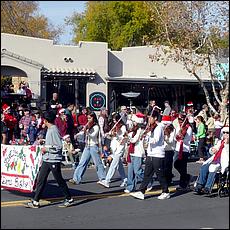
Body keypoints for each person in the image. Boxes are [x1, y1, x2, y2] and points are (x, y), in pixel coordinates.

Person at [26, 111, 74, 208]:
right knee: (41, 179)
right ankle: (35, 201)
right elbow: (51, 143)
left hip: (53, 159)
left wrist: (46, 148)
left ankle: (69, 198)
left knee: (59, 179)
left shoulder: (53, 130)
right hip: (47, 159)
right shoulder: (50, 129)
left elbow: (58, 146)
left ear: (46, 120)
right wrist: (43, 141)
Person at [129, 110, 170, 200]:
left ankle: (166, 191)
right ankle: (141, 191)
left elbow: (155, 140)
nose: (149, 119)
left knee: (160, 174)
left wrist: (147, 138)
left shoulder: (159, 127)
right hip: (150, 153)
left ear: (155, 118)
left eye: (150, 118)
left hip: (158, 154)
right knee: (147, 174)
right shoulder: (151, 127)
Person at [69, 112, 106, 184]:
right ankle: (76, 179)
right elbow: (82, 132)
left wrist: (87, 131)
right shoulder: (88, 126)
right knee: (82, 162)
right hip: (87, 146)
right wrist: (77, 134)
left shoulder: (96, 127)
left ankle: (103, 178)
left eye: (90, 118)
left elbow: (93, 135)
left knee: (97, 163)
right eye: (88, 118)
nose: (88, 120)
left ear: (93, 118)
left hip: (94, 146)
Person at [194, 126, 229, 194]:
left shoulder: (227, 143)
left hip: (224, 161)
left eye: (227, 133)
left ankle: (208, 187)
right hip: (215, 159)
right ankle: (200, 185)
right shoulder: (220, 141)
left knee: (213, 168)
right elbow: (213, 149)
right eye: (224, 132)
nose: (225, 134)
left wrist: (227, 144)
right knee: (204, 167)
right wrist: (212, 150)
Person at [98, 113, 128, 188]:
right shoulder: (114, 126)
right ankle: (125, 179)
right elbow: (112, 137)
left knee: (113, 165)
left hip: (119, 148)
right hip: (114, 148)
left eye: (115, 120)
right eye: (114, 120)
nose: (115, 122)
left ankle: (107, 181)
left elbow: (123, 137)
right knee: (119, 166)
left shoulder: (122, 127)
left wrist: (117, 134)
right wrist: (110, 134)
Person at [124, 113, 146, 193]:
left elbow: (134, 140)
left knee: (137, 171)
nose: (132, 122)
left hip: (138, 152)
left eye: (134, 121)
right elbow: (128, 140)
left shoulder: (140, 130)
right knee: (130, 171)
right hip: (132, 152)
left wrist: (128, 136)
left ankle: (148, 180)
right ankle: (130, 187)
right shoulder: (133, 130)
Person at [174, 113, 193, 191]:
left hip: (184, 149)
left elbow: (186, 139)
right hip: (177, 149)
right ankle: (186, 177)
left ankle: (183, 185)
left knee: (183, 167)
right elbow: (175, 138)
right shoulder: (179, 127)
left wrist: (181, 135)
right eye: (179, 120)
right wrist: (177, 135)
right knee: (175, 164)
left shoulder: (188, 128)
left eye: (182, 120)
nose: (180, 121)